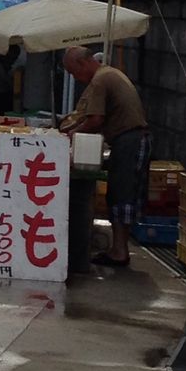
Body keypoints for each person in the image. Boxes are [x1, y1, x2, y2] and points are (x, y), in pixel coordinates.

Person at [61, 46, 152, 268]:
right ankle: (119, 248)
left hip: (129, 140)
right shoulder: (109, 74)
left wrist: (72, 134)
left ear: (83, 64)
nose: (76, 78)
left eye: (74, 73)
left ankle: (120, 251)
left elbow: (95, 120)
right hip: (130, 138)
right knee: (121, 192)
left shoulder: (100, 80)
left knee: (122, 193)